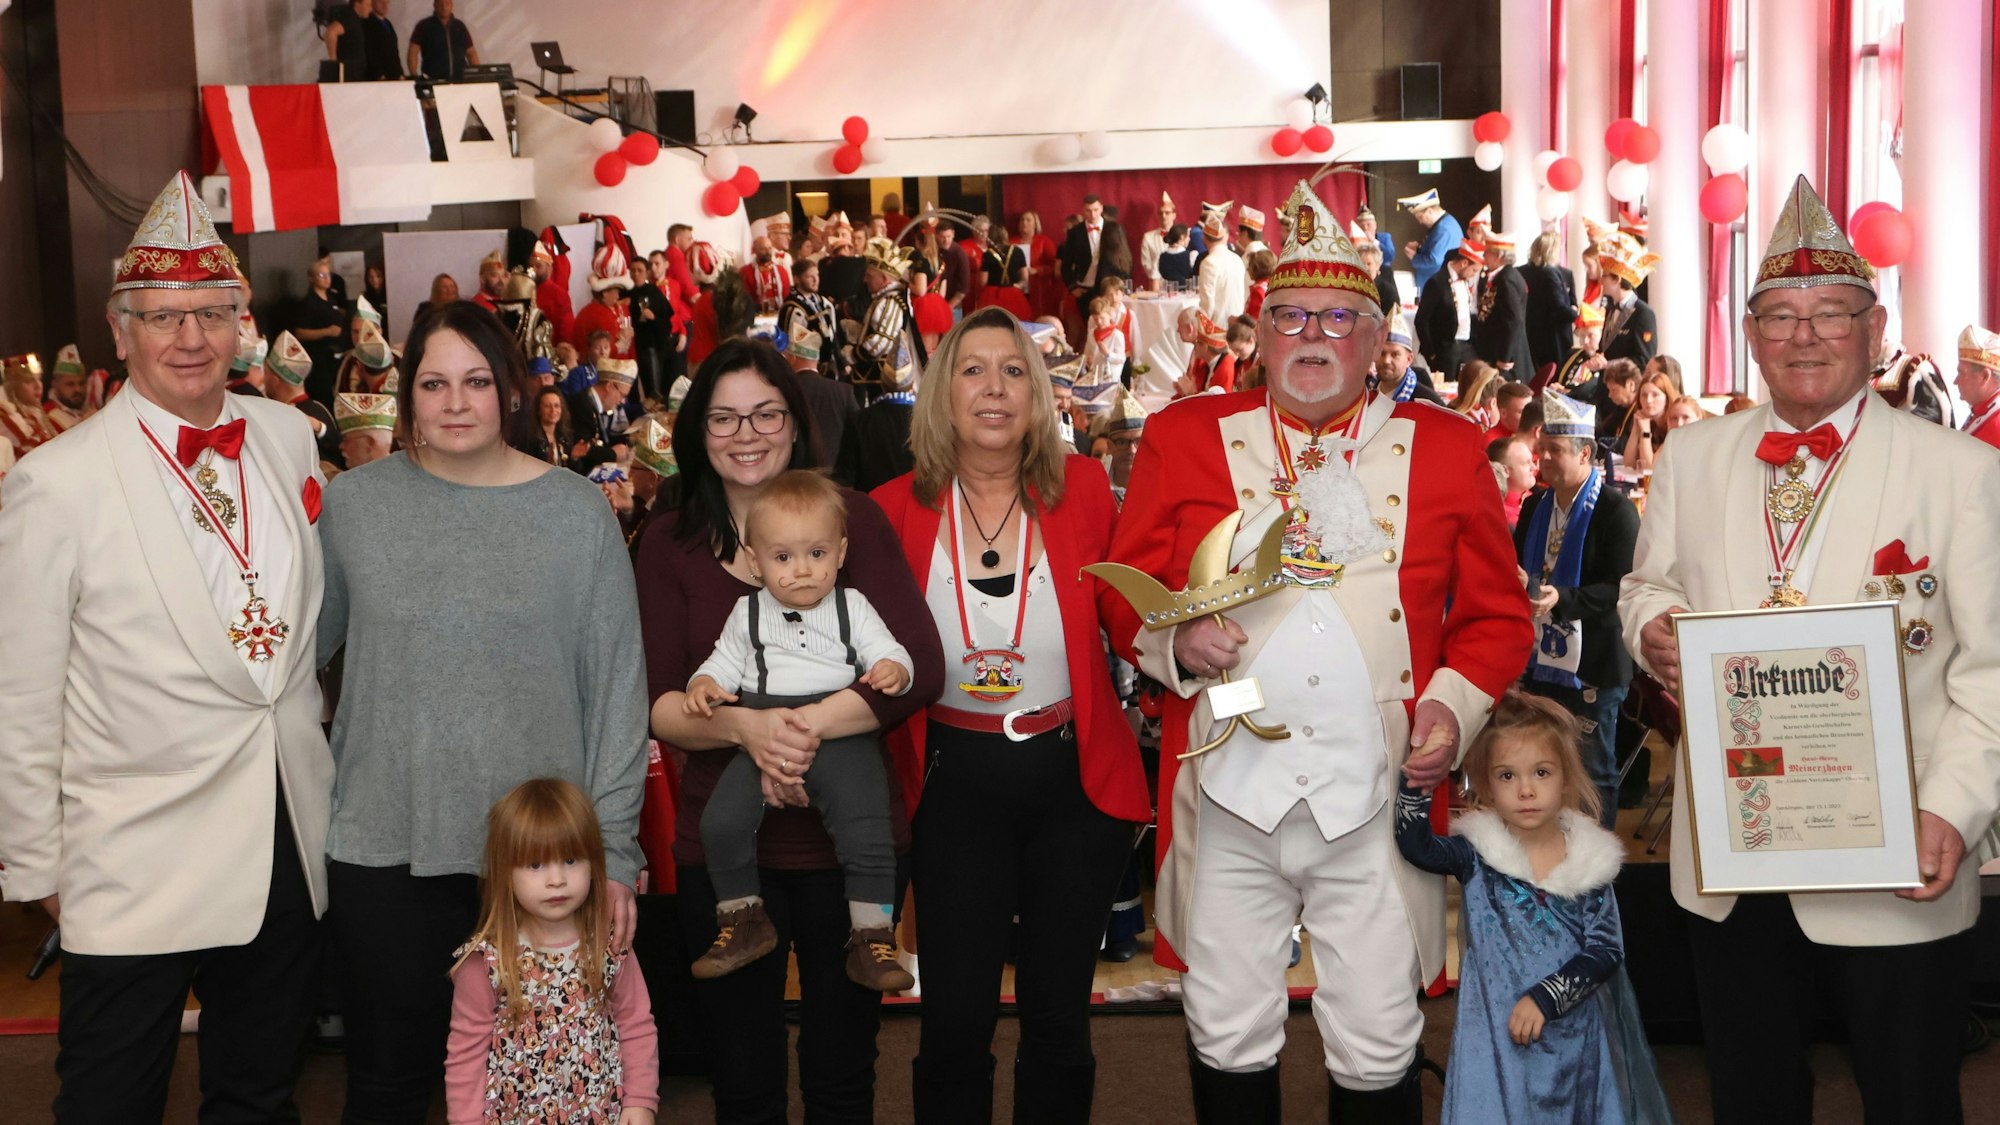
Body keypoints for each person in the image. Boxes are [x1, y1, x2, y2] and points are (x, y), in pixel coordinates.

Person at [1102, 177, 1532, 1122]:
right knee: (1224, 1027)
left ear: (1378, 342)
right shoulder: (1182, 436)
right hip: (1225, 789)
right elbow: (1124, 595)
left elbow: (1500, 618)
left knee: (1380, 1038)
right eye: (1289, 316)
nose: (1310, 337)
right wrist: (1178, 639)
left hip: (1377, 792)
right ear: (1258, 333)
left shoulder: (1448, 444)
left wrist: (1450, 711)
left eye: (1339, 319)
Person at [1620, 175, 2000, 1125]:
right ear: (1750, 334)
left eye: (1831, 313)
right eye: (1781, 315)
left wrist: (1950, 808)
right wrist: (1652, 629)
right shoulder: (1695, 457)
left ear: (1875, 332)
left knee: (1912, 1099)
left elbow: (1991, 669)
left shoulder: (1962, 473)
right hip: (1735, 851)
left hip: (1898, 853)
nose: (1804, 336)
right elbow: (1646, 584)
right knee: (1751, 1099)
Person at [0, 171, 332, 1121]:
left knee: (260, 1095)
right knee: (109, 1101)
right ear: (120, 330)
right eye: (163, 315)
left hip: (282, 837)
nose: (190, 338)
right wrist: (38, 871)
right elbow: (21, 694)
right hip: (130, 859)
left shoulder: (287, 438)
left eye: (211, 313)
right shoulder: (55, 484)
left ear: (241, 326)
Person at [316, 299, 649, 1120]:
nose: (456, 401)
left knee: (543, 1087)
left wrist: (615, 848)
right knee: (386, 1079)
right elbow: (292, 665)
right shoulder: (355, 506)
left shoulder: (576, 513)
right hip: (385, 840)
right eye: (434, 382)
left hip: (542, 856)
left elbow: (616, 690)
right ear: (406, 395)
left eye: (476, 380)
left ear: (509, 390)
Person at [634, 337, 943, 1123]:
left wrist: (793, 730)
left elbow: (919, 668)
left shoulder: (853, 520)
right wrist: (746, 730)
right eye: (725, 416)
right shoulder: (667, 543)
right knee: (743, 1080)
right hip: (726, 844)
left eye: (766, 413)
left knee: (843, 1074)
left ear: (796, 423)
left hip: (853, 845)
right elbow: (660, 703)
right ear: (697, 428)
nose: (747, 433)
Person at [869, 307, 1148, 1121]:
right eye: (972, 368)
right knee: (955, 1020)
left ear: (1037, 393)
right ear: (940, 392)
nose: (994, 387)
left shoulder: (1089, 489)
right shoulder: (889, 508)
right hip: (952, 783)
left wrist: (1193, 632)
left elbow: (1129, 619)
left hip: (1073, 778)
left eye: (1014, 370)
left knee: (1059, 1016)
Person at [681, 471, 917, 989]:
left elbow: (895, 653)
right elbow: (721, 664)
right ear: (754, 560)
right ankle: (743, 919)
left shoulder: (852, 607)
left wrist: (894, 671)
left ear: (840, 551)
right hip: (765, 736)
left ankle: (872, 937)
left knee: (867, 830)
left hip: (842, 737)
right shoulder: (746, 614)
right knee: (721, 824)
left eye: (816, 553)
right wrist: (704, 684)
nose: (802, 571)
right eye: (782, 557)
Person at [1394, 692, 1670, 1123]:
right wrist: (1419, 778)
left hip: (1573, 1037)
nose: (1525, 790)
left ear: (1565, 779)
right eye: (1507, 776)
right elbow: (1417, 847)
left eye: (1541, 772)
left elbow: (1606, 950)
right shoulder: (1479, 853)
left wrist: (1546, 998)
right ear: (1486, 783)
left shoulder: (1588, 862)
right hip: (1495, 1034)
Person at [445, 778, 659, 1124]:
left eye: (571, 860)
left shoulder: (609, 944)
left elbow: (636, 1024)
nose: (556, 879)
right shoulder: (485, 960)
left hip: (600, 1112)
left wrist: (641, 1101)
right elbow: (465, 1054)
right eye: (535, 865)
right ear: (505, 872)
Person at [1513, 389, 1638, 826]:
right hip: (1538, 657)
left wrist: (1562, 599)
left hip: (1595, 663)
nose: (1543, 457)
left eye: (1555, 450)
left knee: (1595, 769)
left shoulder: (1615, 511)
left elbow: (1623, 589)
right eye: (1541, 448)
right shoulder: (1535, 506)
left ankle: (1598, 865)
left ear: (1585, 453)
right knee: (1547, 766)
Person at [850, 237, 925, 403]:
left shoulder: (891, 301)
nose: (865, 280)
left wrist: (854, 354)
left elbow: (883, 340)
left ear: (884, 279)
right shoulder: (883, 298)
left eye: (870, 275)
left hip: (883, 378)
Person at [263, 331, 344, 467]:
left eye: (265, 373)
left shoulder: (285, 417)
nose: (263, 379)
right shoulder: (321, 408)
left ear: (275, 380)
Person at [783, 329, 858, 470]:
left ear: (792, 358)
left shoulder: (784, 392)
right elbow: (858, 436)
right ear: (816, 359)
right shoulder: (844, 392)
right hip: (836, 478)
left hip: (795, 478)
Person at [1416, 238, 1482, 386]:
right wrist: (1431, 353)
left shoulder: (1464, 281)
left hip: (1466, 346)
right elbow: (1421, 320)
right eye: (1474, 270)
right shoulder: (1437, 282)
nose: (1474, 275)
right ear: (1464, 263)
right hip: (1446, 349)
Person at [1473, 234, 1535, 381]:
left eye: (1487, 252)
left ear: (1498, 256)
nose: (1483, 255)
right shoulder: (1503, 276)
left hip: (1507, 357)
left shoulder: (1506, 279)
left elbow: (1513, 320)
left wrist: (1505, 356)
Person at [291, 255, 349, 406]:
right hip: (319, 359)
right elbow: (300, 333)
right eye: (321, 275)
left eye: (328, 275)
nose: (326, 279)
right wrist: (327, 331)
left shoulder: (331, 297)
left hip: (335, 358)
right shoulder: (309, 303)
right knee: (324, 397)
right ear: (311, 278)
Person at [1059, 194, 1130, 312]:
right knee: (1090, 327)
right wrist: (1072, 287)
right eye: (1088, 211)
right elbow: (1065, 265)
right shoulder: (1075, 232)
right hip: (1084, 289)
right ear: (1083, 210)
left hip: (1108, 290)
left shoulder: (1114, 228)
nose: (1092, 215)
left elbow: (1124, 259)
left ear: (1101, 208)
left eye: (1096, 210)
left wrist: (1120, 287)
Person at [1597, 234, 1660, 367]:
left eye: (1605, 276)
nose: (1601, 281)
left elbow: (1644, 359)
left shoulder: (1643, 313)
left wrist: (1608, 365)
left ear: (1617, 279)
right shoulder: (1611, 307)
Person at [1521, 231, 1578, 377]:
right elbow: (1560, 307)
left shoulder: (1521, 272)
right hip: (1553, 339)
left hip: (1531, 336)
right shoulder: (1550, 273)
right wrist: (1573, 312)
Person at [1396, 187, 1465, 293]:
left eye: (1420, 217)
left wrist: (1414, 257)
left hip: (1434, 285)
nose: (1420, 222)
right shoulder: (1446, 223)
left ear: (1429, 211)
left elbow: (1434, 260)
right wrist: (1419, 247)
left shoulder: (1443, 229)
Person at [1196, 200, 1248, 325]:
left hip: (1217, 327)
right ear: (1225, 237)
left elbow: (1207, 303)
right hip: (1237, 323)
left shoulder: (1208, 262)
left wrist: (1202, 326)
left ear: (1204, 237)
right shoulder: (1237, 259)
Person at [1616, 370, 1674, 477]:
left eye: (1655, 395)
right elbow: (1628, 464)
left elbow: (1648, 469)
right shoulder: (1646, 421)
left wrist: (1645, 433)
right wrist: (1636, 428)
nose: (1648, 400)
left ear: (1666, 398)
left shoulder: (1674, 423)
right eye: (1644, 395)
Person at [0, 353, 56, 458]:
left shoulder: (36, 413)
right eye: (29, 381)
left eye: (39, 379)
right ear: (13, 387)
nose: (38, 386)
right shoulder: (5, 415)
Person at [407, 0, 478, 79]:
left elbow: (471, 53)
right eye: (440, 4)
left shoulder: (460, 26)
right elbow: (413, 52)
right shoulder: (424, 26)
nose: (444, 7)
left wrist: (478, 74)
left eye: (447, 4)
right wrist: (414, 75)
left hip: (460, 80)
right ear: (434, 5)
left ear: (452, 5)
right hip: (433, 80)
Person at [1955, 324, 2000, 448]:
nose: (1955, 381)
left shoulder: (1996, 424)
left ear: (1984, 376)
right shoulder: (1982, 410)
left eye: (1961, 373)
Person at [1489, 432, 1536, 527]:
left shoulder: (1537, 499)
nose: (1534, 467)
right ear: (1505, 471)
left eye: (1532, 461)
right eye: (1526, 463)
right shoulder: (1499, 514)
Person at [1138, 191, 1181, 289]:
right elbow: (1146, 263)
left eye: (1167, 213)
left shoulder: (1183, 235)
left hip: (1179, 285)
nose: (1163, 216)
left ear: (1174, 215)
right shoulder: (1148, 237)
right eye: (1160, 213)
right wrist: (1158, 278)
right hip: (1157, 286)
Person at [527, 384, 576, 468]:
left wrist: (574, 457)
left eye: (556, 406)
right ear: (538, 410)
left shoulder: (564, 436)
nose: (553, 410)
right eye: (547, 406)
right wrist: (547, 464)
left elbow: (573, 470)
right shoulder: (531, 439)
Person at [323, 0, 372, 79]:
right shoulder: (349, 18)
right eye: (368, 5)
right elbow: (330, 32)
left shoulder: (355, 20)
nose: (370, 9)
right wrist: (333, 62)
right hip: (348, 74)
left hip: (354, 73)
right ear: (357, 3)